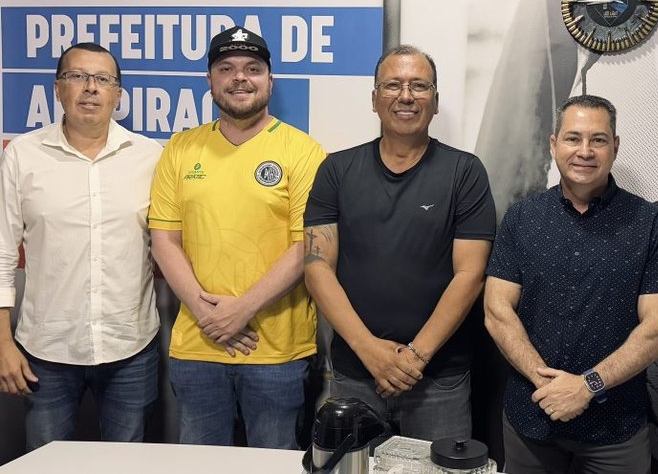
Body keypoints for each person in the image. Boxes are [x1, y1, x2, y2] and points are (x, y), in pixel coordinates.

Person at [302, 45, 496, 441]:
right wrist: (369, 351)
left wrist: (415, 357)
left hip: (438, 379)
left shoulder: (465, 172)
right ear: (374, 99)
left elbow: (471, 274)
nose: (406, 96)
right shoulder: (336, 170)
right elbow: (316, 267)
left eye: (419, 86)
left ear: (436, 101)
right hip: (355, 374)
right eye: (393, 85)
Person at [484, 94, 658, 473]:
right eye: (573, 138)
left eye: (598, 140)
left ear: (615, 147)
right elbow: (497, 312)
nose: (585, 151)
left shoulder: (650, 224)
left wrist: (587, 386)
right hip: (531, 419)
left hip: (615, 431)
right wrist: (547, 385)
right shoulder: (521, 218)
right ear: (553, 144)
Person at [148, 26, 325, 449]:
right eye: (226, 68)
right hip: (198, 344)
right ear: (210, 81)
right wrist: (210, 314)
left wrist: (242, 308)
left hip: (277, 351)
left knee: (274, 461)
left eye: (252, 68)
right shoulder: (180, 149)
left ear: (270, 80)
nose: (239, 78)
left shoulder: (303, 151)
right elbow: (164, 240)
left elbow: (308, 245)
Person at [0, 42, 161, 450]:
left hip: (131, 348)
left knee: (126, 464)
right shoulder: (22, 155)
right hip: (46, 351)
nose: (90, 88)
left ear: (118, 94)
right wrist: (3, 342)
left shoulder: (149, 157)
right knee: (46, 463)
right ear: (58, 89)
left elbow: (170, 244)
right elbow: (2, 253)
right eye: (77, 76)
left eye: (103, 79)